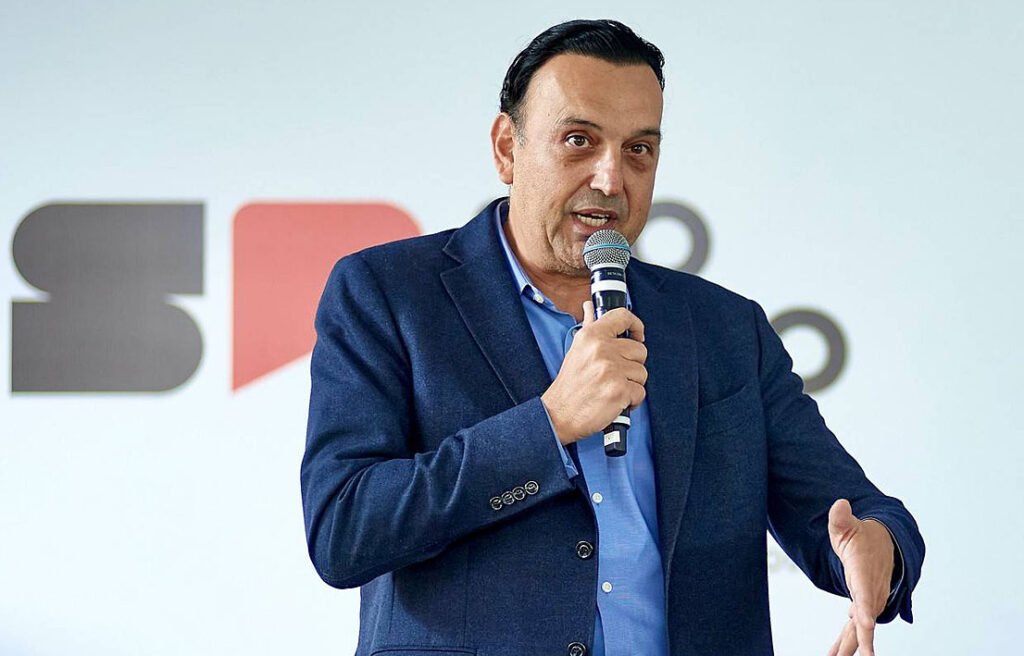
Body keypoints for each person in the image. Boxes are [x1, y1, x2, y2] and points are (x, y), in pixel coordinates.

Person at [301, 19, 923, 656]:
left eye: (639, 149)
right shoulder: (387, 293)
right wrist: (549, 425)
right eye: (579, 140)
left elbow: (852, 513)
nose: (611, 178)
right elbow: (344, 529)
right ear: (507, 149)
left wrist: (878, 548)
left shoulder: (726, 328)